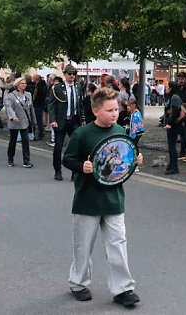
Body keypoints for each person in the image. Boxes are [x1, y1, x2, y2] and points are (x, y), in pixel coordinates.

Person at [62, 87, 143, 307]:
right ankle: (78, 283)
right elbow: (67, 159)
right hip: (87, 199)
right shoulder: (82, 134)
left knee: (118, 243)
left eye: (116, 109)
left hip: (114, 198)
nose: (115, 113)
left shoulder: (120, 130)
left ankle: (123, 288)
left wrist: (135, 161)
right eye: (109, 110)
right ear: (96, 110)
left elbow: (125, 159)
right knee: (83, 245)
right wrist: (82, 166)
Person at [47, 65, 85, 181]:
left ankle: (75, 172)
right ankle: (57, 171)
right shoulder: (57, 87)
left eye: (74, 74)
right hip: (61, 121)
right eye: (69, 74)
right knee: (58, 147)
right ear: (65, 74)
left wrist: (82, 118)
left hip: (74, 120)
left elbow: (80, 104)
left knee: (76, 147)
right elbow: (51, 105)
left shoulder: (78, 86)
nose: (72, 76)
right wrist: (53, 120)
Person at [5, 77, 34, 168]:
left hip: (25, 120)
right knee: (13, 141)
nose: (24, 85)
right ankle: (10, 159)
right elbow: (8, 106)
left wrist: (33, 120)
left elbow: (30, 107)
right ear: (17, 85)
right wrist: (13, 116)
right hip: (15, 121)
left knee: (25, 141)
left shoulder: (28, 94)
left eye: (25, 83)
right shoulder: (11, 95)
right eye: (22, 83)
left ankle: (26, 160)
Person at [163, 82, 183, 175]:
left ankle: (174, 167)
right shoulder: (171, 97)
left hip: (174, 125)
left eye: (167, 87)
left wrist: (170, 123)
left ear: (171, 88)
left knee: (172, 146)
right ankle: (171, 165)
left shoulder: (174, 97)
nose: (166, 88)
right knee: (171, 146)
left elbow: (176, 111)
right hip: (171, 124)